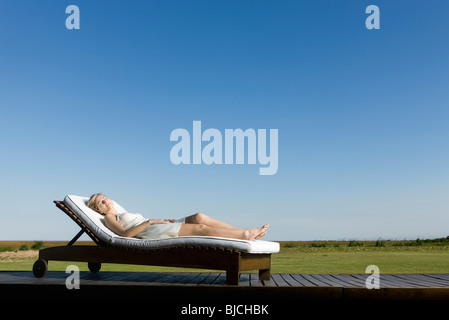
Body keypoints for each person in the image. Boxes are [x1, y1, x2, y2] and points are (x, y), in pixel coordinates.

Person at [87, 193, 269, 241]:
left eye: (105, 198)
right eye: (101, 203)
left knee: (199, 216)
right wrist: (151, 221)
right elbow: (126, 235)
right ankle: (245, 236)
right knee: (200, 230)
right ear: (99, 210)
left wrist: (160, 221)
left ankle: (242, 231)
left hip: (155, 225)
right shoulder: (109, 219)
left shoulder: (119, 211)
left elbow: (145, 223)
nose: (106, 202)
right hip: (150, 231)